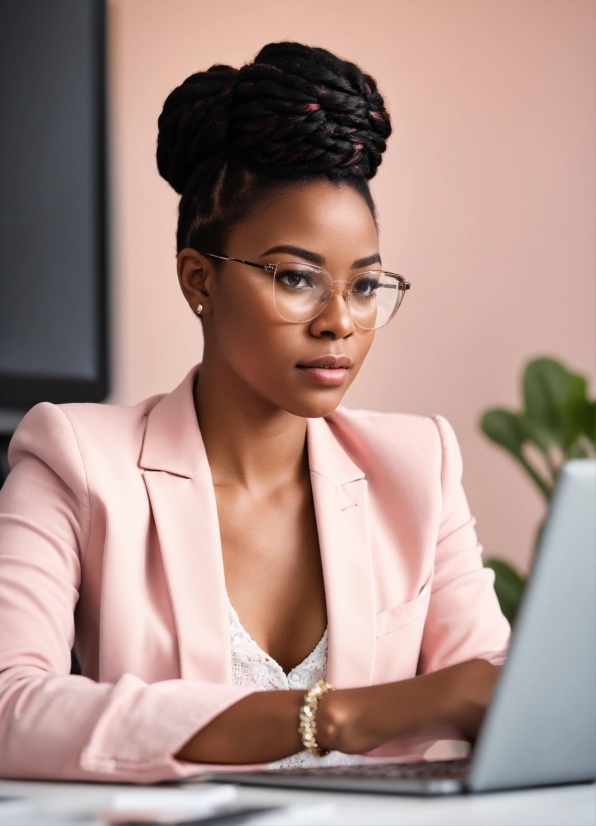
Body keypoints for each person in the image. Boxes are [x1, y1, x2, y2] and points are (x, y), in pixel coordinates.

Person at [0, 42, 509, 782]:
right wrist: (334, 716)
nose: (339, 320)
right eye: (297, 278)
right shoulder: (75, 458)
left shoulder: (418, 467)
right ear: (199, 279)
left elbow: (492, 693)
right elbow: (10, 707)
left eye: (364, 287)